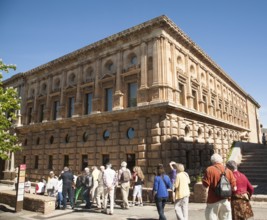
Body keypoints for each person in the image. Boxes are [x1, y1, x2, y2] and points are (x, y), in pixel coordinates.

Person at [202, 153, 237, 220]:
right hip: (226, 200)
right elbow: (234, 188)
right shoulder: (228, 171)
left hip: (213, 200)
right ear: (221, 160)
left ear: (212, 161)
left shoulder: (209, 170)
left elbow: (205, 187)